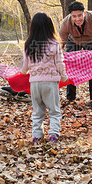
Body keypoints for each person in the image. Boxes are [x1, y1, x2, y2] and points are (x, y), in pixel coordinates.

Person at [21, 13, 68, 144]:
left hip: (35, 84)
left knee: (37, 112)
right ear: (49, 27)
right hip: (50, 83)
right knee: (54, 110)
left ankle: (36, 136)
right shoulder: (54, 44)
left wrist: (22, 72)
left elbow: (25, 68)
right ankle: (53, 134)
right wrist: (64, 76)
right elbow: (59, 63)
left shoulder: (28, 45)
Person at [59, 1, 92, 110]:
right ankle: (70, 99)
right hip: (73, 42)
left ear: (85, 13)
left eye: (79, 15)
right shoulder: (66, 22)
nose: (77, 19)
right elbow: (61, 41)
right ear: (70, 16)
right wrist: (56, 55)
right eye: (74, 16)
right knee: (70, 69)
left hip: (90, 41)